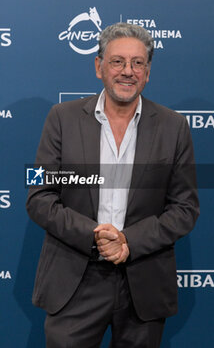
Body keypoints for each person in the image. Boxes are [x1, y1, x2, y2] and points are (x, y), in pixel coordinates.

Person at [26, 22, 200, 348]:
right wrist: (95, 237)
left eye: (138, 63)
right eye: (117, 61)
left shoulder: (174, 127)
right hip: (75, 280)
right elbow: (38, 195)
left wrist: (128, 242)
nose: (128, 71)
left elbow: (185, 208)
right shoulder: (60, 118)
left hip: (143, 282)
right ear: (98, 66)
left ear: (148, 72)